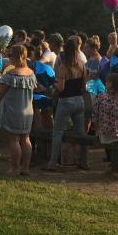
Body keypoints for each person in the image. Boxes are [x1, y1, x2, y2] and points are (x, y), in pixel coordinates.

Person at [46, 36, 86, 171]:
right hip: (79, 100)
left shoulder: (64, 67)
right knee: (81, 133)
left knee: (57, 133)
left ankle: (52, 163)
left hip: (66, 101)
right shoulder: (82, 64)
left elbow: (61, 88)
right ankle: (84, 162)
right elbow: (84, 86)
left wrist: (53, 87)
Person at [0, 44, 37, 176]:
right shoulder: (31, 73)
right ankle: (25, 168)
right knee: (26, 139)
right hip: (28, 110)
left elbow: (0, 93)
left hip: (13, 110)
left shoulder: (10, 75)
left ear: (14, 56)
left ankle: (14, 168)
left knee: (14, 140)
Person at [91, 73, 118, 145]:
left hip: (105, 135)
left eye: (107, 82)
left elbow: (94, 116)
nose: (105, 83)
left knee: (109, 150)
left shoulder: (100, 97)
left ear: (111, 84)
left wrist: (95, 128)